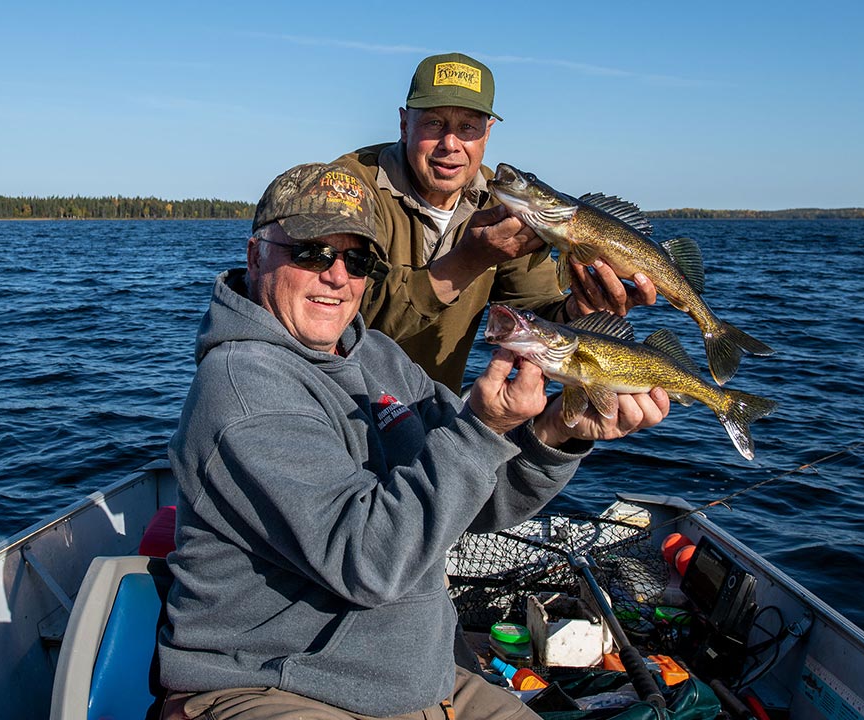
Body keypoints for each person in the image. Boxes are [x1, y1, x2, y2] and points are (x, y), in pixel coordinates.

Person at [158, 162, 670, 720]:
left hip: (418, 680)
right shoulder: (243, 389)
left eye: (359, 259)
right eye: (311, 252)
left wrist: (556, 431)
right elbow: (367, 562)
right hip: (273, 686)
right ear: (257, 254)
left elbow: (482, 499)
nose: (337, 276)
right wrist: (481, 430)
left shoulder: (376, 356)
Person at [335, 52, 657, 392]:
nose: (450, 144)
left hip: (432, 416)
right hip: (335, 405)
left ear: (487, 133)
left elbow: (539, 310)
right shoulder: (347, 188)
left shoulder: (504, 204)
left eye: (468, 127)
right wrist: (467, 261)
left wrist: (580, 310)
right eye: (433, 123)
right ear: (404, 124)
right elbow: (339, 323)